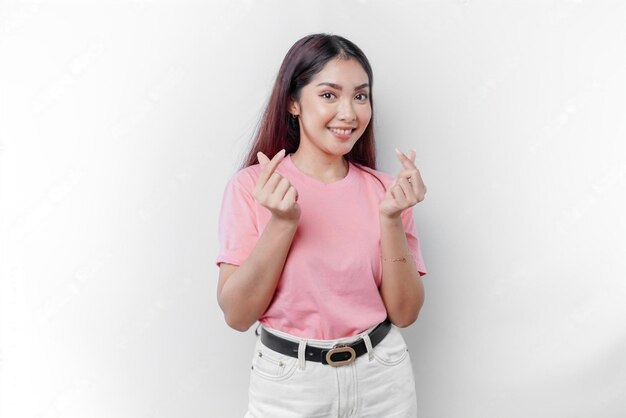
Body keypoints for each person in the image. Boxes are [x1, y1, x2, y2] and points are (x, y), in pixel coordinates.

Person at [216, 33, 428, 417]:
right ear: (294, 102)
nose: (349, 112)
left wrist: (391, 220)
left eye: (360, 96)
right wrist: (282, 223)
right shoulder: (253, 188)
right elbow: (237, 315)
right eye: (329, 95)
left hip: (382, 378)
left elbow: (405, 313)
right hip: (289, 386)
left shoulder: (387, 193)